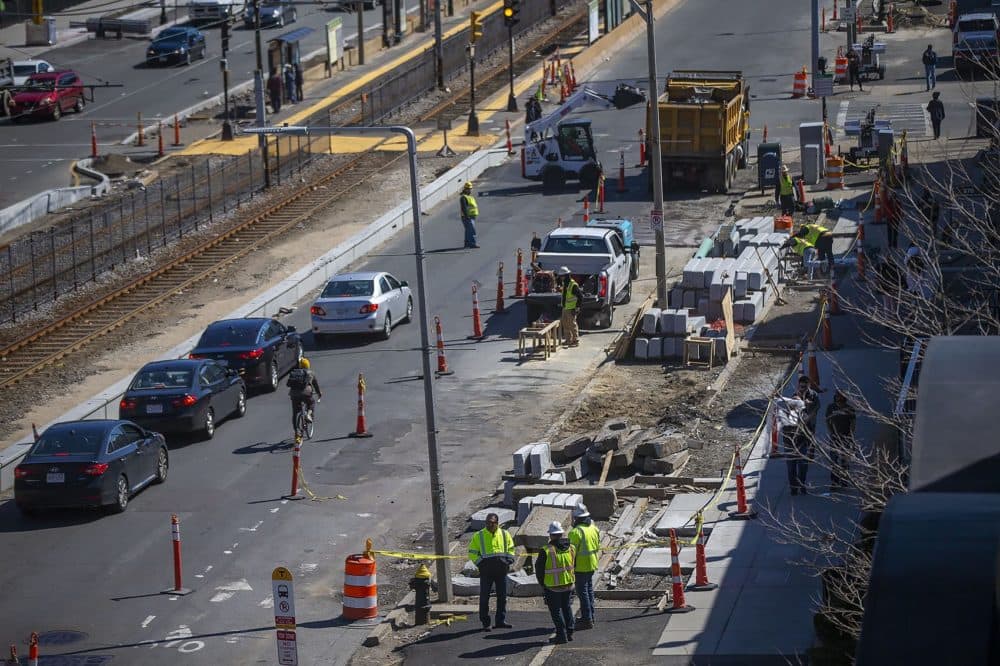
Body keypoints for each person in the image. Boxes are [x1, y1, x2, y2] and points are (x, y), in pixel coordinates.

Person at [468, 512, 515, 631]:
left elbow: (511, 549)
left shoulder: (505, 534)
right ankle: (485, 623)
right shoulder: (479, 535)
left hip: (501, 571)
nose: (490, 525)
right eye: (488, 522)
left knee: (502, 597)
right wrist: (481, 564)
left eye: (492, 523)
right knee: (484, 598)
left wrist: (508, 561)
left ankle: (500, 621)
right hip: (486, 572)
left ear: (497, 523)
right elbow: (472, 553)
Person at [534, 521, 576, 644]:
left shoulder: (546, 550)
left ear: (551, 535)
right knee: (567, 608)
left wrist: (543, 584)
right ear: (562, 534)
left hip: (552, 587)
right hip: (568, 584)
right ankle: (570, 632)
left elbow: (539, 571)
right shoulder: (571, 548)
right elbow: (574, 565)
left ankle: (561, 635)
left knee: (556, 611)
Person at [568, 505, 599, 630]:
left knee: (583, 593)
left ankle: (587, 619)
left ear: (576, 518)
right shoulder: (593, 528)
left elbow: (570, 551)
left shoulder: (576, 532)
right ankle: (590, 615)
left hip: (581, 566)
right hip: (592, 563)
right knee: (589, 590)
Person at [825, 390, 856, 491]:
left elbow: (853, 422)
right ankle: (834, 481)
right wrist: (831, 432)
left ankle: (844, 480)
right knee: (833, 460)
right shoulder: (831, 407)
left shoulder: (849, 408)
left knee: (844, 460)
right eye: (837, 395)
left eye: (840, 396)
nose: (838, 397)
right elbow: (827, 420)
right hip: (834, 437)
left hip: (846, 437)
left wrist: (851, 435)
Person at [287, 358, 321, 433]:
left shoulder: (295, 373)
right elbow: (316, 386)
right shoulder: (311, 373)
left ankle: (296, 432)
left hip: (293, 394)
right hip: (306, 393)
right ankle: (308, 415)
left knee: (295, 413)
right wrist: (319, 394)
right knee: (311, 402)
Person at [556, 266, 581, 347]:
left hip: (571, 308)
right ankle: (568, 340)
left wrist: (577, 307)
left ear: (566, 276)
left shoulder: (573, 285)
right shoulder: (565, 284)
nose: (561, 278)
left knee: (572, 324)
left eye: (562, 276)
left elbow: (580, 297)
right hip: (565, 308)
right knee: (565, 324)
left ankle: (575, 340)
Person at [459, 181, 479, 248]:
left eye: (471, 189)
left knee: (468, 230)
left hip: (471, 216)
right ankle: (473, 243)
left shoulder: (469, 197)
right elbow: (464, 208)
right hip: (467, 217)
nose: (470, 190)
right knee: (472, 230)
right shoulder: (463, 197)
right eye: (469, 189)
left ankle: (467, 243)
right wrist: (467, 216)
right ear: (466, 189)